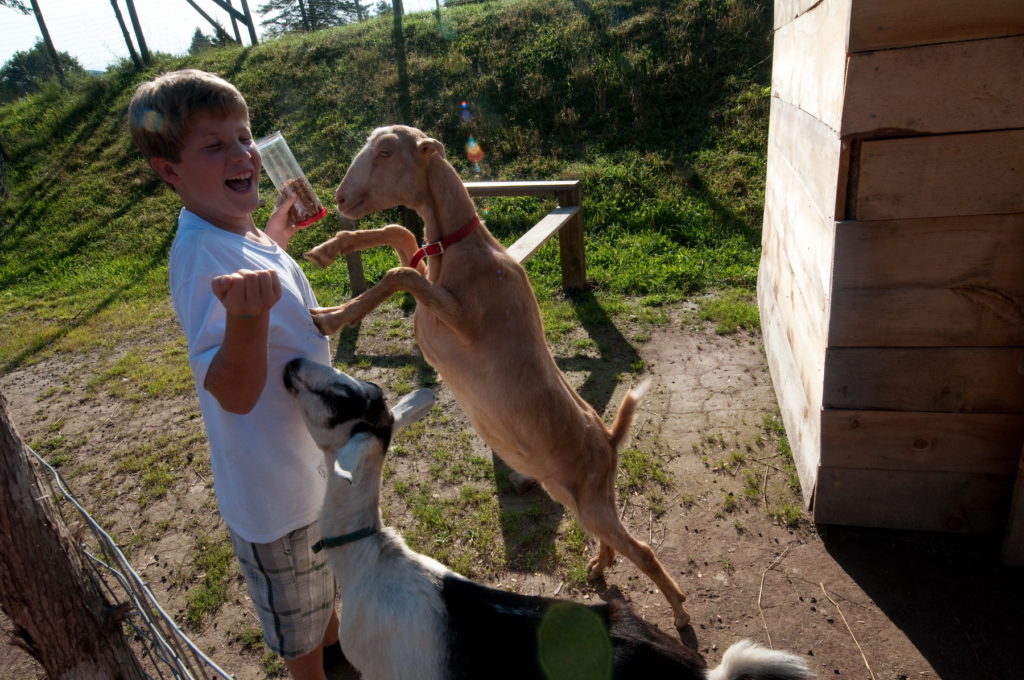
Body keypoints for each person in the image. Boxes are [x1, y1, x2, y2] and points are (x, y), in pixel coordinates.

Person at [128, 69, 341, 680]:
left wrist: (277, 233)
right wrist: (246, 322)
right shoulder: (201, 255)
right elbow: (232, 391)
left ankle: (337, 643)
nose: (243, 153)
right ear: (169, 172)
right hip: (276, 492)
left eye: (244, 136)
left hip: (305, 464)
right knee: (298, 620)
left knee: (322, 577)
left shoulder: (234, 230)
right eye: (214, 145)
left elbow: (256, 260)